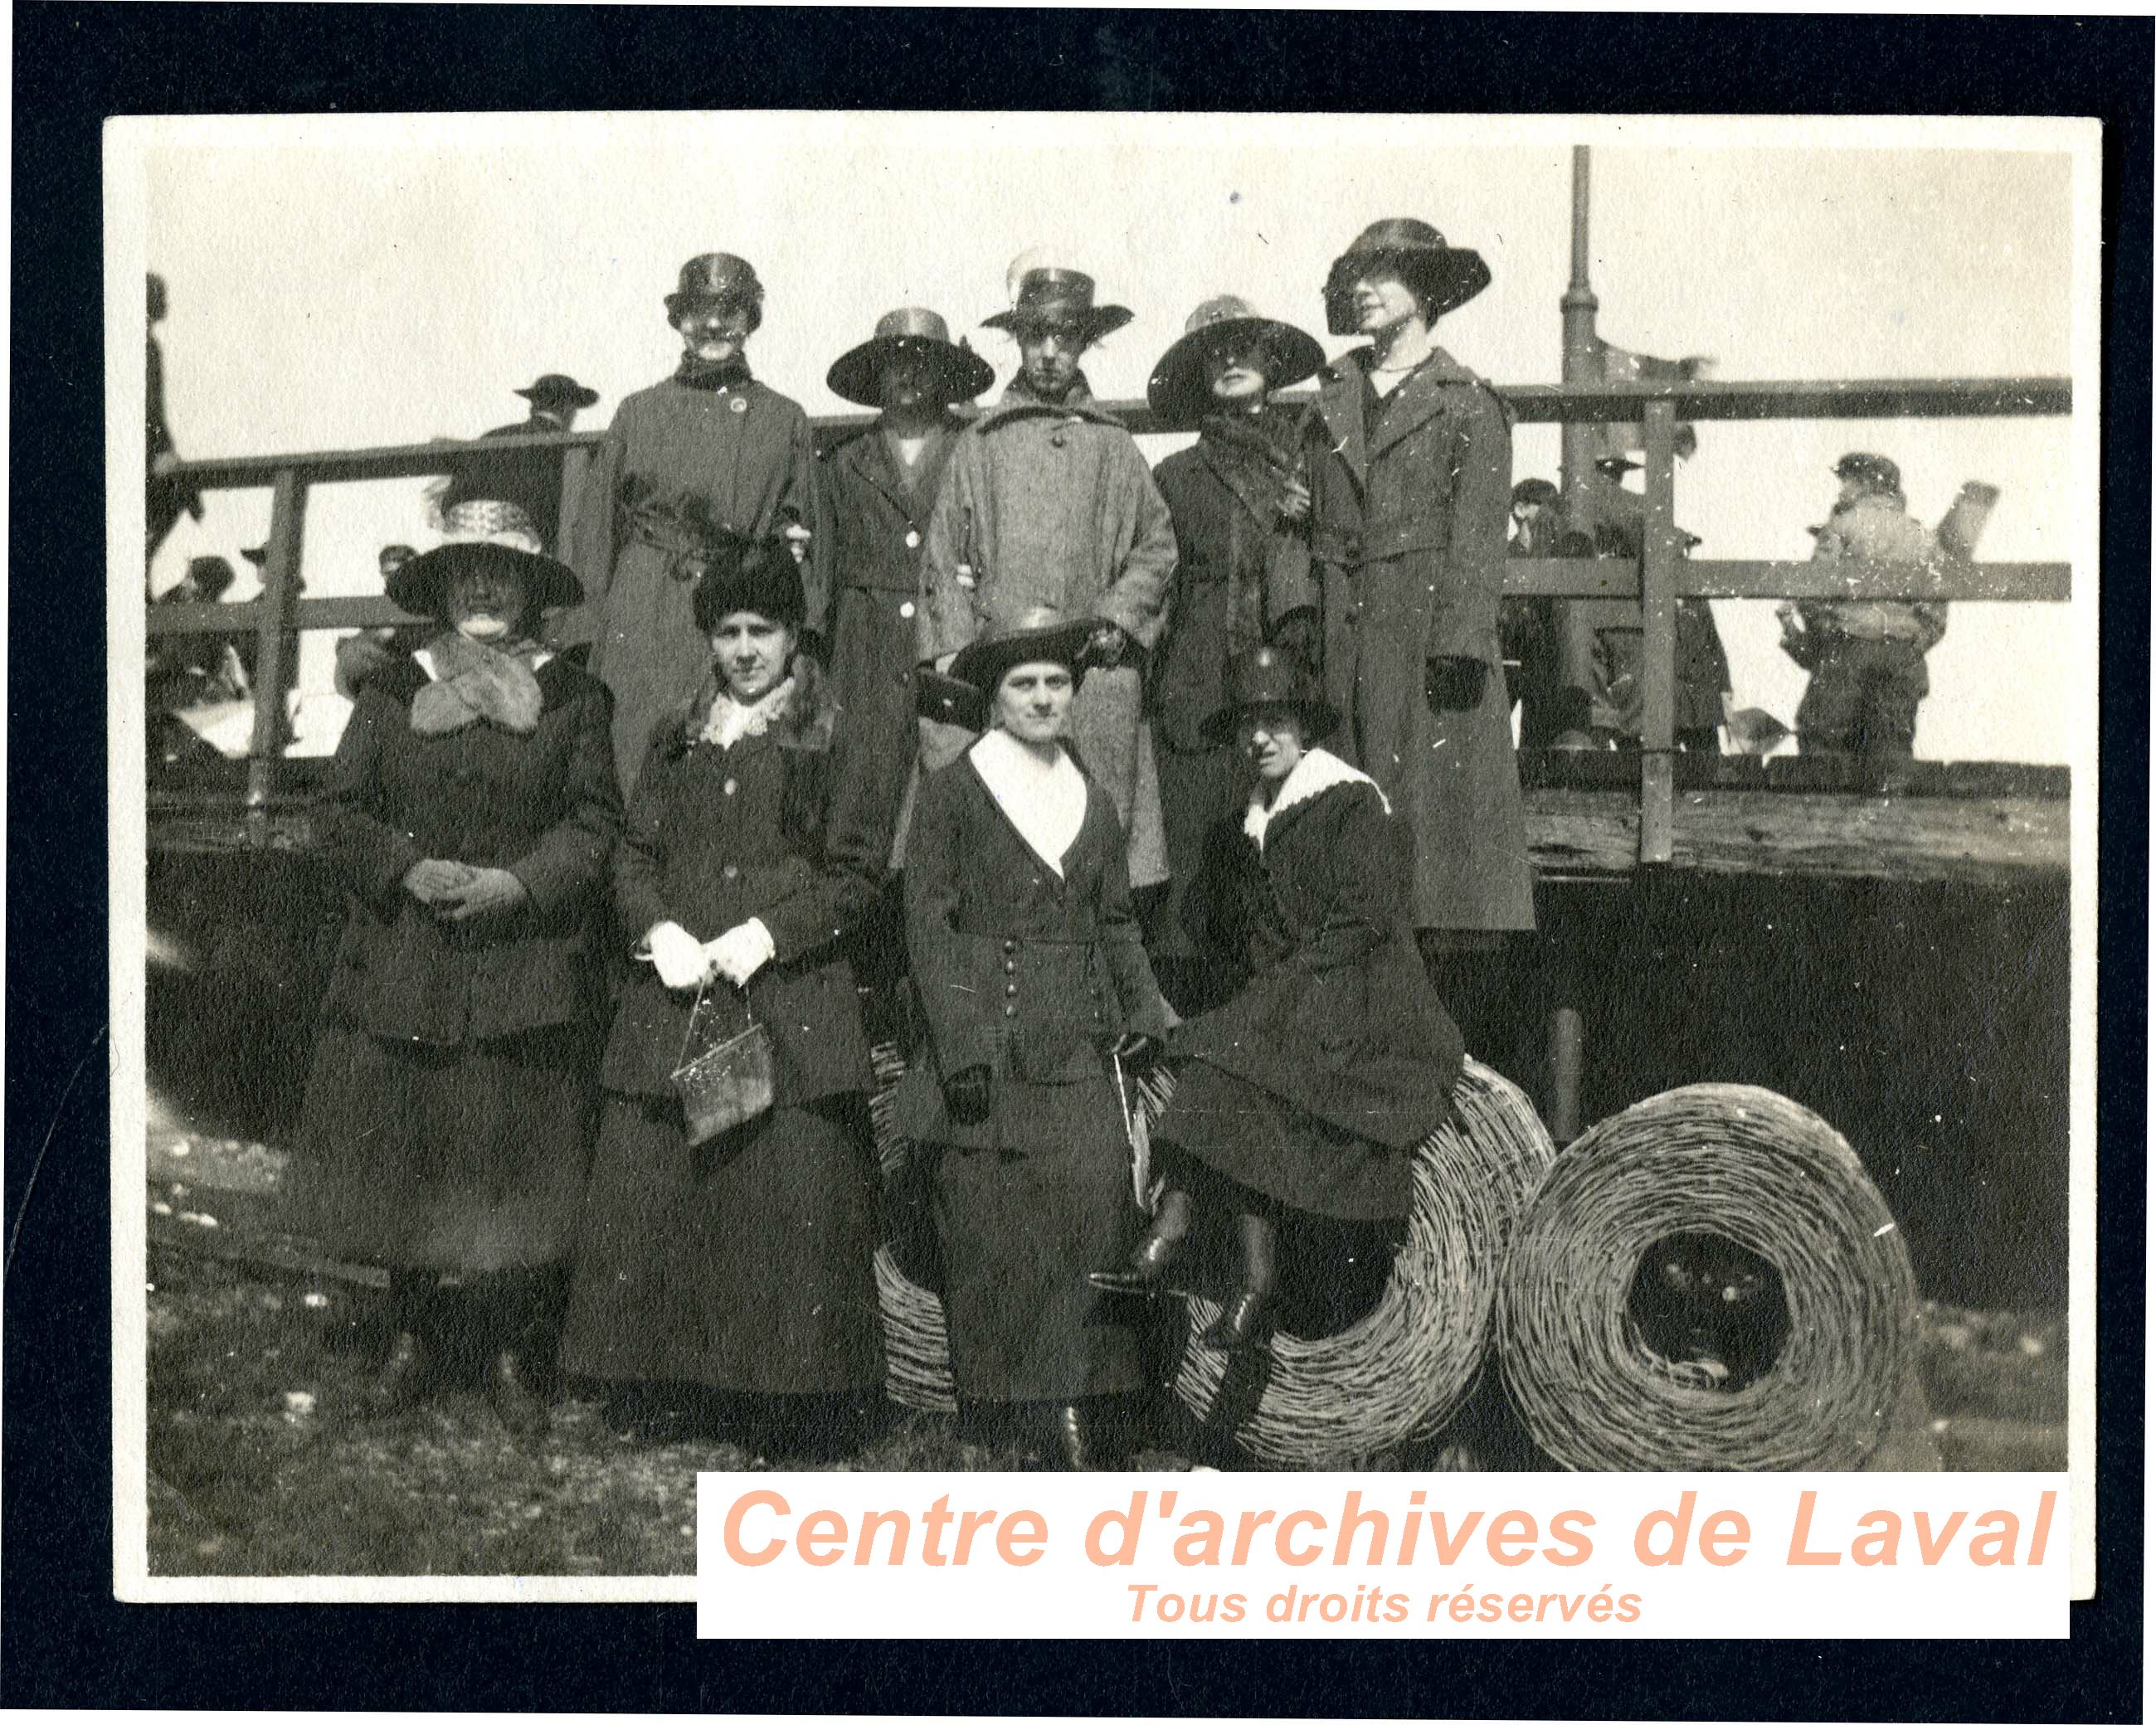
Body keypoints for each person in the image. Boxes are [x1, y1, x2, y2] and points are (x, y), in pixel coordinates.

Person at [285, 498, 621, 1436]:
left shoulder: (575, 699)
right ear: (439, 589)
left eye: (502, 572)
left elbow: (595, 824)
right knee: (414, 1143)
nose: (482, 587)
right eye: (464, 571)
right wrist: (405, 867)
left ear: (529, 593)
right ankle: (414, 1336)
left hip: (523, 961)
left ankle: (513, 1349)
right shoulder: (394, 691)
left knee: (516, 1151)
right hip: (414, 958)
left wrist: (521, 883)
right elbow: (339, 811)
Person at [559, 535, 888, 1450]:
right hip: (678, 989)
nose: (745, 650)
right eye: (729, 631)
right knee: (662, 1187)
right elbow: (633, 852)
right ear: (708, 637)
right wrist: (655, 926)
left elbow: (858, 873)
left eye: (764, 631)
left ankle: (778, 1402)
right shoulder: (677, 735)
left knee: (779, 1190)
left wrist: (768, 934)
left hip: (785, 994)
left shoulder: (833, 731)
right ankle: (660, 1386)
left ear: (795, 637)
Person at [1091, 647, 1464, 1351]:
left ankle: (1177, 1232)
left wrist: (1265, 1006)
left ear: (1304, 729)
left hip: (1371, 1005)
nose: (1259, 739)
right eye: (1246, 728)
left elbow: (1360, 927)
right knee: (1242, 1068)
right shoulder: (1255, 822)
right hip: (1309, 1002)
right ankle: (1249, 1282)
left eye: (1275, 722)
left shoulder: (1351, 803)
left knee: (1244, 1055)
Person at [894, 606, 1176, 1469]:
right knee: (994, 1219)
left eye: (1058, 682)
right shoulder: (953, 791)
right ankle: (1011, 1407)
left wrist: (1145, 1011)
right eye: (1025, 684)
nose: (1045, 697)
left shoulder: (1089, 793)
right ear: (994, 697)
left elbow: (1116, 920)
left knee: (1093, 1203)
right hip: (988, 1042)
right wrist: (963, 1046)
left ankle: (1081, 1398)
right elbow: (927, 925)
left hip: (1075, 1041)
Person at [1302, 218, 1536, 963]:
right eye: (1356, 277)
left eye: (1385, 275)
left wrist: (1459, 641)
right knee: (1340, 827)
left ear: (1426, 293)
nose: (1363, 290)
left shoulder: (1467, 403)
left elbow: (1476, 539)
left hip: (1423, 645)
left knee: (1428, 840)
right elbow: (1295, 516)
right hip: (1339, 630)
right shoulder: (1327, 402)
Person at [917, 259, 1178, 892]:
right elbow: (940, 560)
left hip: (1092, 673)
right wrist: (959, 656)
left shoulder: (1113, 447)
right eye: (1037, 337)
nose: (1051, 353)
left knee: (1095, 839)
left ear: (1085, 344)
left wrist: (1115, 619)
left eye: (1067, 338)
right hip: (1004, 675)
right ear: (1019, 342)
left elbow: (1157, 545)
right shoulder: (981, 445)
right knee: (1004, 838)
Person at [564, 253, 825, 787]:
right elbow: (595, 533)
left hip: (736, 606)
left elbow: (810, 535)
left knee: (726, 754)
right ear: (679, 321)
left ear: (750, 322)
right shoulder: (639, 412)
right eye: (698, 311)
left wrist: (805, 633)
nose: (712, 325)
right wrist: (581, 631)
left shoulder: (783, 418)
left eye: (729, 311)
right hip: (643, 606)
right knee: (634, 747)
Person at [1141, 294, 1325, 1010]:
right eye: (1212, 354)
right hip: (1195, 697)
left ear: (1271, 364)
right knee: (1194, 885)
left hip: (1284, 684)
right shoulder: (1177, 477)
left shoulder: (1310, 461)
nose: (1229, 363)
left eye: (1244, 348)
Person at [818, 308, 995, 1022]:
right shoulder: (845, 463)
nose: (907, 375)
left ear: (946, 372)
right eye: (893, 361)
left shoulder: (973, 448)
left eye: (923, 360)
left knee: (945, 807)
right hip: (862, 652)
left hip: (948, 641)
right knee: (861, 806)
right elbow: (824, 573)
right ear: (875, 374)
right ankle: (866, 997)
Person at [1779, 451, 1949, 784]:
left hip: (1847, 648)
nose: (1841, 491)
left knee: (1823, 743)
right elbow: (1936, 611)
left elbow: (1815, 592)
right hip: (1902, 656)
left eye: (1846, 481)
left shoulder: (1842, 526)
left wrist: (1826, 637)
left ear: (1864, 485)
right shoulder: (1926, 539)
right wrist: (1912, 644)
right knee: (1891, 747)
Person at [1571, 454, 1730, 752]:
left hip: (1652, 650)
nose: (1612, 480)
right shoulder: (1630, 509)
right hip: (1664, 672)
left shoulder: (1602, 506)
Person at [473, 372, 602, 552]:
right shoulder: (578, 448)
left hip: (486, 548)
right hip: (550, 555)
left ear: (533, 406)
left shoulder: (493, 438)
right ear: (568, 409)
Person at [146, 273, 202, 567]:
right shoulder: (144, 347)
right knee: (180, 494)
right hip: (140, 451)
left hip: (145, 447)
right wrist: (160, 452)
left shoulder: (148, 345)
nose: (166, 303)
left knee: (183, 492)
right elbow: (149, 409)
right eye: (161, 296)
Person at [333, 544, 430, 699]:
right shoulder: (382, 607)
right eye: (389, 575)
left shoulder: (423, 603)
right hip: (371, 669)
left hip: (396, 674)